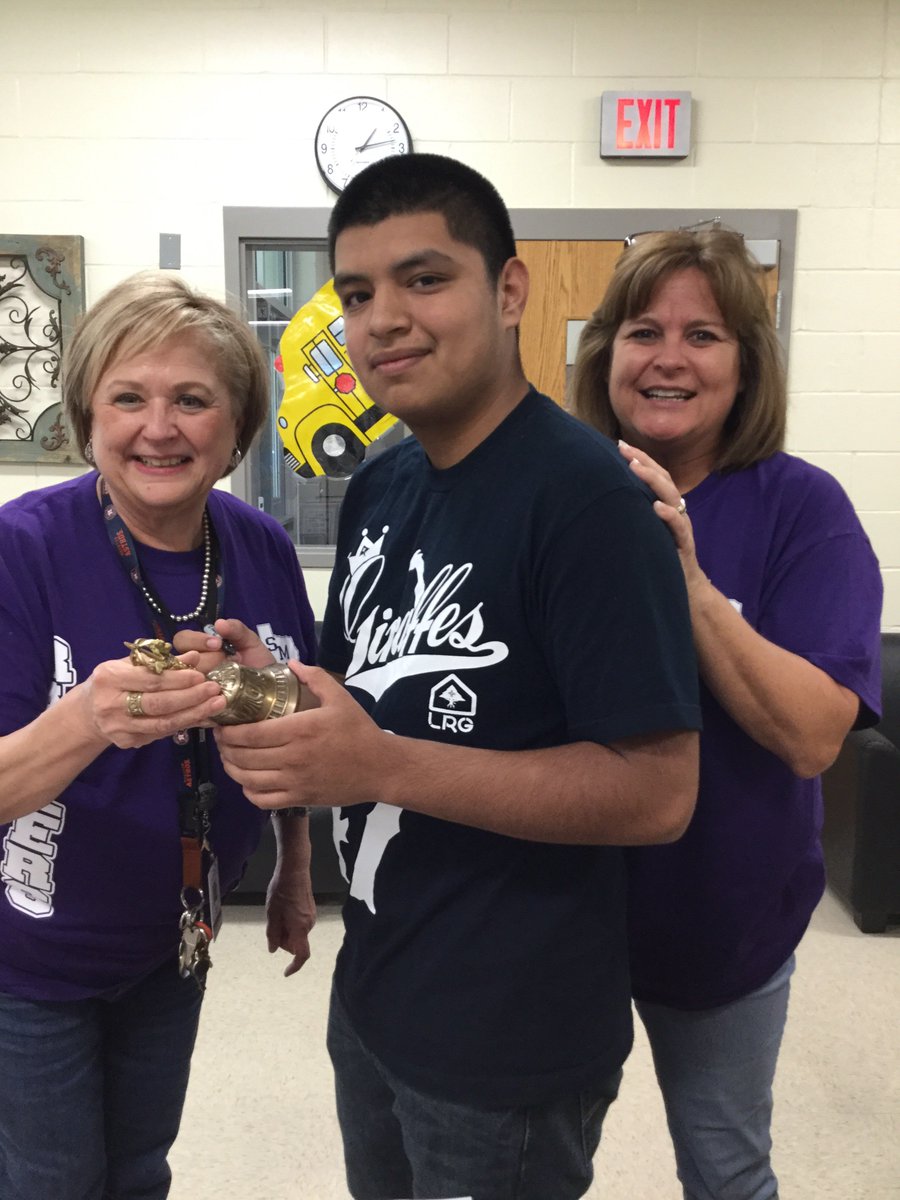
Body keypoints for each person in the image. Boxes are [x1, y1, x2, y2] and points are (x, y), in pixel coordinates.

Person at [214, 153, 702, 1200]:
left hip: (506, 1044)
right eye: (357, 294)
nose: (384, 318)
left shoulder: (588, 504)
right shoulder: (382, 481)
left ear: (509, 290)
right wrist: (256, 688)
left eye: (425, 279)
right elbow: (354, 699)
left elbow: (659, 793)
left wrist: (382, 765)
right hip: (376, 991)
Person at [571, 227, 883, 1200]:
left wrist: (687, 579)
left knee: (726, 1168)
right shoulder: (561, 496)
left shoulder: (804, 509)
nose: (668, 358)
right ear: (605, 353)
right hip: (561, 921)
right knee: (532, 1169)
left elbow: (815, 735)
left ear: (747, 365)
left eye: (702, 335)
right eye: (642, 331)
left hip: (724, 923)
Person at [0, 271, 317, 1200]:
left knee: (141, 1170)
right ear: (87, 417)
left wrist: (295, 867)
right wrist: (86, 718)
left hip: (176, 936)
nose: (160, 428)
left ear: (237, 423)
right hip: (30, 956)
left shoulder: (259, 546)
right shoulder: (22, 549)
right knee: (52, 1180)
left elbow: (296, 723)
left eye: (192, 399)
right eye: (128, 398)